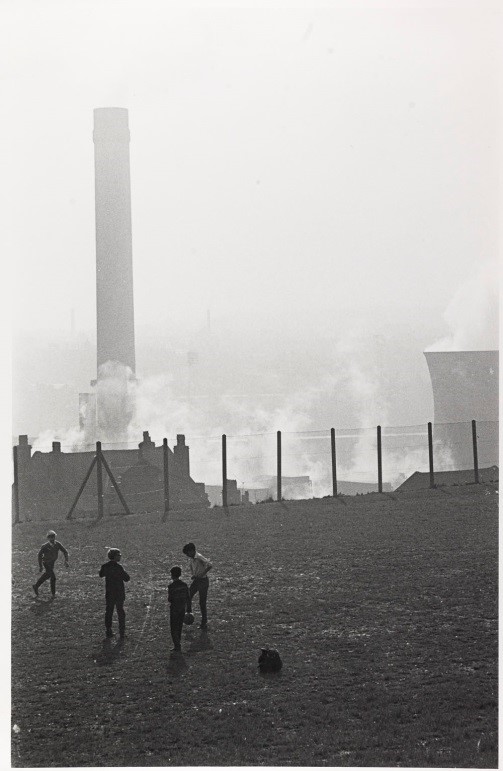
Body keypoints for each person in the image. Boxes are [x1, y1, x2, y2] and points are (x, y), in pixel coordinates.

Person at [99, 548, 130, 639]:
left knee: (109, 611)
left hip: (109, 592)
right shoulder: (119, 567)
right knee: (120, 611)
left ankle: (108, 630)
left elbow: (101, 574)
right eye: (119, 555)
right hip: (119, 593)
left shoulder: (105, 566)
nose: (120, 556)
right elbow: (127, 578)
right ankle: (122, 632)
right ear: (115, 556)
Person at [182, 542, 212, 628]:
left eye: (187, 553)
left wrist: (202, 573)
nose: (187, 555)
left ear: (192, 551)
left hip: (203, 581)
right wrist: (194, 575)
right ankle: (188, 613)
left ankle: (204, 622)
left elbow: (210, 565)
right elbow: (193, 567)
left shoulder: (199, 557)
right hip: (196, 581)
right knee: (188, 596)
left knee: (202, 603)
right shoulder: (192, 558)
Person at [33, 530, 69, 598]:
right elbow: (39, 555)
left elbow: (65, 552)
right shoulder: (45, 546)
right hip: (46, 563)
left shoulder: (58, 544)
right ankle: (53, 594)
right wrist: (40, 566)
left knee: (47, 575)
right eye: (50, 537)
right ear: (48, 538)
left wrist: (66, 561)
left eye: (53, 536)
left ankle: (36, 586)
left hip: (52, 563)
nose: (52, 538)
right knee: (53, 577)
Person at [167, 566, 192, 653]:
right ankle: (178, 643)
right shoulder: (184, 585)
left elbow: (170, 599)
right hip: (182, 609)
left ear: (172, 575)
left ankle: (176, 645)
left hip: (174, 609)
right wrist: (189, 609)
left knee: (173, 627)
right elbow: (188, 598)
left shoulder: (171, 586)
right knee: (179, 627)